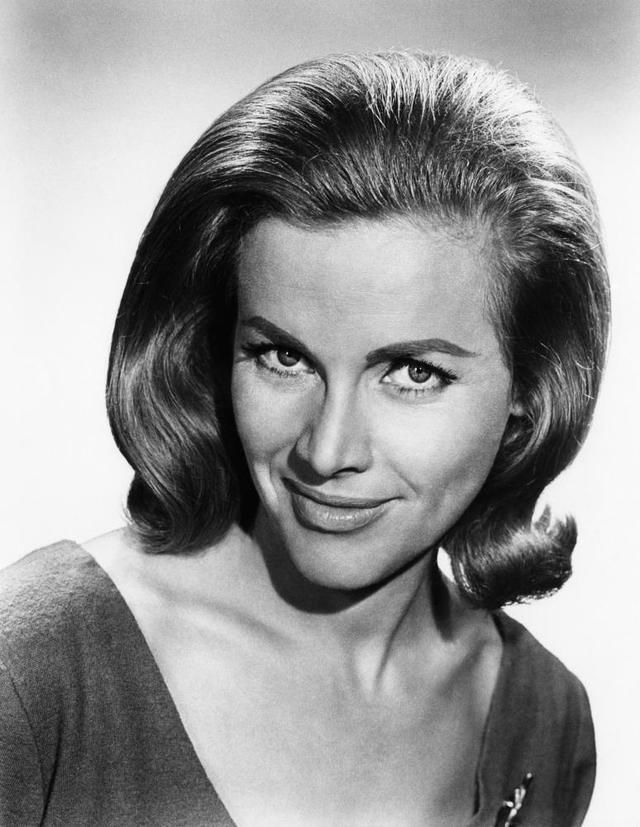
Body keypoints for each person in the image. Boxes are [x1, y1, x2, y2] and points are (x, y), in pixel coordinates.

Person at [0, 51, 609, 826]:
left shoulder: (544, 719)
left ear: (532, 387)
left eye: (413, 372)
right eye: (283, 357)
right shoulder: (36, 666)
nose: (326, 451)